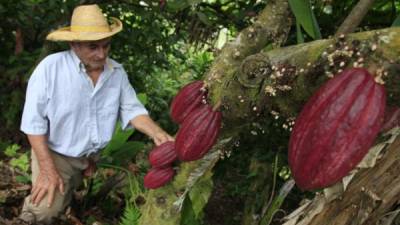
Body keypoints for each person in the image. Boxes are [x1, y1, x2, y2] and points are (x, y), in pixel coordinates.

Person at [19, 4, 174, 224]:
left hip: (89, 157)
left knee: (76, 195)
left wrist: (158, 134)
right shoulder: (50, 69)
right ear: (74, 44)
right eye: (93, 47)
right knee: (44, 212)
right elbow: (33, 124)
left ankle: (70, 201)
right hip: (54, 153)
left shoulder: (116, 73)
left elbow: (133, 110)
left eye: (106, 46)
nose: (101, 54)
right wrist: (47, 169)